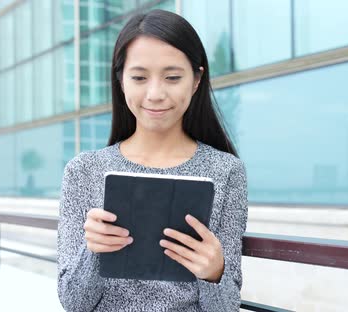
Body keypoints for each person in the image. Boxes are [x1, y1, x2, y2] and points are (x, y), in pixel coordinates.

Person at [57, 9, 248, 312]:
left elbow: (225, 308)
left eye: (172, 77)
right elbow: (74, 302)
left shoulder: (225, 172)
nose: (155, 93)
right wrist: (92, 252)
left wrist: (214, 273)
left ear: (197, 80)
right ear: (121, 80)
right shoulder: (83, 171)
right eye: (139, 77)